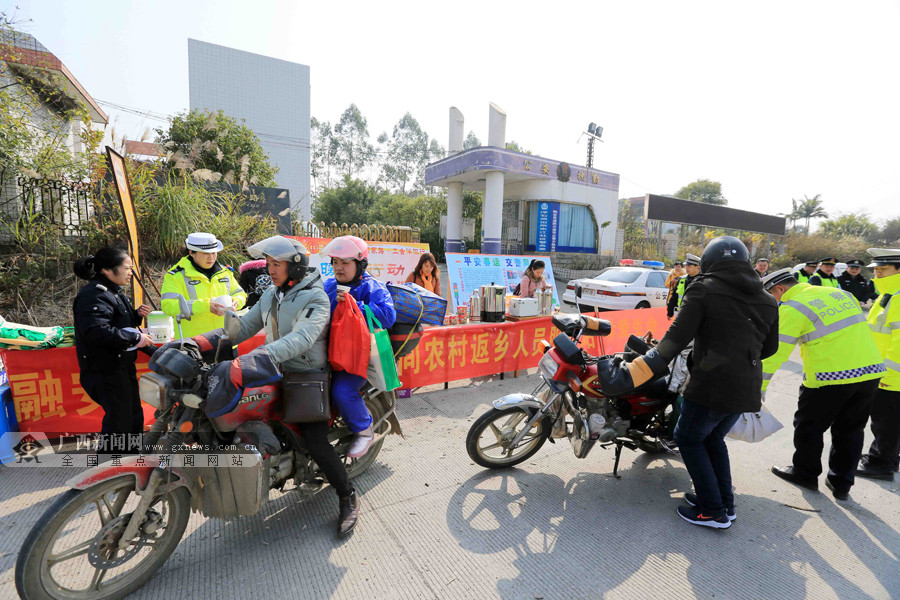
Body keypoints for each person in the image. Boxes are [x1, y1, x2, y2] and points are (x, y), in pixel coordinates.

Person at [599, 236, 779, 528]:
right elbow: (769, 349)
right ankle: (724, 503)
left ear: (708, 262)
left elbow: (672, 343)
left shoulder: (704, 289)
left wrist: (631, 373)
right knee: (713, 439)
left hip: (711, 385)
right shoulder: (768, 299)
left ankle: (712, 510)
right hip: (746, 388)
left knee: (689, 439)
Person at [229, 235, 360, 536]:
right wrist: (207, 339)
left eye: (277, 264)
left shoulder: (315, 297)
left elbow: (302, 338)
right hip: (275, 370)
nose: (270, 270)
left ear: (296, 267)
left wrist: (259, 355)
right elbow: (245, 326)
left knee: (316, 443)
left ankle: (347, 495)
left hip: (306, 376)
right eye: (269, 264)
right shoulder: (273, 294)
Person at [761, 269, 884, 501]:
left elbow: (775, 353)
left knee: (809, 426)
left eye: (770, 296)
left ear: (779, 289)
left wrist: (757, 387)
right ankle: (841, 484)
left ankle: (805, 473)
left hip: (830, 377)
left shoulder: (792, 307)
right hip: (869, 371)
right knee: (851, 429)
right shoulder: (840, 294)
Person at [322, 236, 396, 459]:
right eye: (335, 262)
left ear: (360, 263)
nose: (338, 267)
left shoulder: (372, 287)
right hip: (327, 351)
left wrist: (356, 305)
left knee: (342, 391)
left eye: (345, 262)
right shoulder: (329, 285)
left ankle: (364, 431)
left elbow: (388, 316)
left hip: (356, 357)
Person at [72, 246, 153, 445]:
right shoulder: (94, 294)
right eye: (127, 268)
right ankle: (111, 469)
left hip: (121, 366)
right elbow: (96, 331)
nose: (131, 273)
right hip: (104, 370)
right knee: (119, 424)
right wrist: (135, 339)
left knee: (133, 418)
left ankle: (131, 464)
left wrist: (135, 315)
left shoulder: (112, 291)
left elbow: (115, 322)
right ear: (108, 270)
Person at [857, 248, 900, 482]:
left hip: (891, 375)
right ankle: (887, 458)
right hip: (884, 370)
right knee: (889, 420)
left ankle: (881, 464)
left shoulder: (898, 296)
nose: (877, 275)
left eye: (883, 270)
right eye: (875, 270)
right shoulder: (889, 294)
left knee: (886, 421)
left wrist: (888, 375)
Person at [160, 232, 247, 338]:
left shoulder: (225, 272)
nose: (211, 257)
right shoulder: (175, 276)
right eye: (205, 253)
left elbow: (240, 294)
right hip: (194, 343)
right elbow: (168, 306)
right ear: (191, 252)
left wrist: (236, 302)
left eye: (214, 253)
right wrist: (205, 306)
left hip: (226, 339)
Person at [666, 253, 700, 319]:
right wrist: (670, 312)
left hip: (695, 315)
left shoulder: (703, 280)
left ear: (697, 267)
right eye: (686, 266)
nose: (686, 268)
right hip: (680, 314)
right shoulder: (682, 279)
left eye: (689, 266)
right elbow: (674, 296)